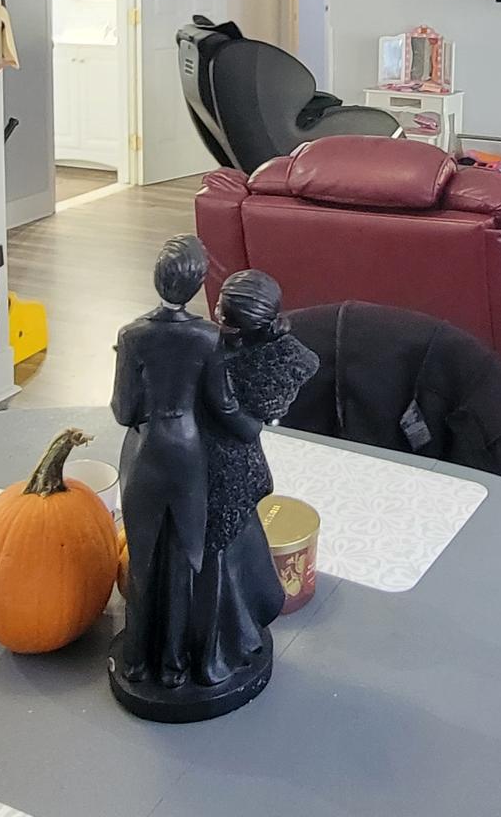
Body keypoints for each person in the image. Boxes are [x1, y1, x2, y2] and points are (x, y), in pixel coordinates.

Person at [111, 236, 259, 692]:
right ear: (198, 285)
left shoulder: (132, 336)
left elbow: (122, 410)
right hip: (189, 455)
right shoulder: (207, 338)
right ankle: (175, 665)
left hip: (147, 453)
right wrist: (251, 426)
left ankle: (137, 658)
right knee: (185, 559)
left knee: (142, 557)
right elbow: (223, 405)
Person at [190, 270, 319, 683]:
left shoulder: (273, 362)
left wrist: (222, 402)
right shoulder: (214, 348)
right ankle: (233, 628)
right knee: (229, 551)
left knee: (217, 558)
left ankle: (219, 647)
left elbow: (249, 427)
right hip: (204, 464)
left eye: (223, 318)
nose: (215, 321)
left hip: (230, 467)